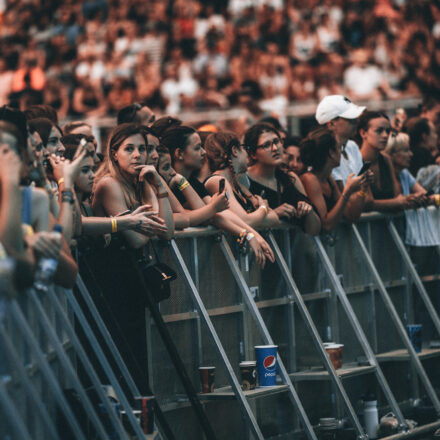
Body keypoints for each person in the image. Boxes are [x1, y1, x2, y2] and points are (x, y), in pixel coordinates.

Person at [91, 123, 172, 392]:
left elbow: (166, 231)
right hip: (111, 285)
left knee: (138, 361)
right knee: (122, 364)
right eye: (129, 149)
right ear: (114, 153)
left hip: (131, 284)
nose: (138, 155)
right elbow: (137, 239)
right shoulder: (108, 185)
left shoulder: (136, 184)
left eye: (143, 149)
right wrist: (151, 193)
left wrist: (158, 183)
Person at [161, 125, 274, 267]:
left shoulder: (193, 183)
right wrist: (263, 207)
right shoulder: (168, 182)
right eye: (197, 148)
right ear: (179, 154)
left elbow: (216, 213)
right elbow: (209, 214)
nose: (203, 152)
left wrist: (251, 235)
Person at [244, 122, 321, 235]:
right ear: (253, 154)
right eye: (266, 145)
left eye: (276, 141)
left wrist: (309, 212)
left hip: (288, 252)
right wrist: (274, 214)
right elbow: (240, 222)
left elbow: (315, 230)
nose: (274, 148)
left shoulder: (290, 177)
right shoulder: (244, 179)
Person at [204, 131, 280, 228]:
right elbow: (246, 221)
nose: (246, 153)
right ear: (235, 151)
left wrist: (255, 218)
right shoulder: (217, 181)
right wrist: (263, 207)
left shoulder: (238, 184)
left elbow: (274, 218)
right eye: (244, 148)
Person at [300, 127, 368, 231]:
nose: (341, 152)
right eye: (339, 148)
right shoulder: (310, 179)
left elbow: (351, 216)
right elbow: (326, 224)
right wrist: (347, 191)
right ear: (331, 153)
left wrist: (363, 188)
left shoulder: (329, 178)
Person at [358, 111, 417, 211]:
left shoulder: (386, 159)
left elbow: (397, 196)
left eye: (388, 131)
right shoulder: (357, 160)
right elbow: (366, 203)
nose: (385, 135)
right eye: (379, 131)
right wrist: (398, 202)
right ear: (363, 133)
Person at [315, 95, 365, 186]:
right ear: (331, 124)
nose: (357, 121)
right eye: (351, 119)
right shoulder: (327, 155)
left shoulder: (352, 146)